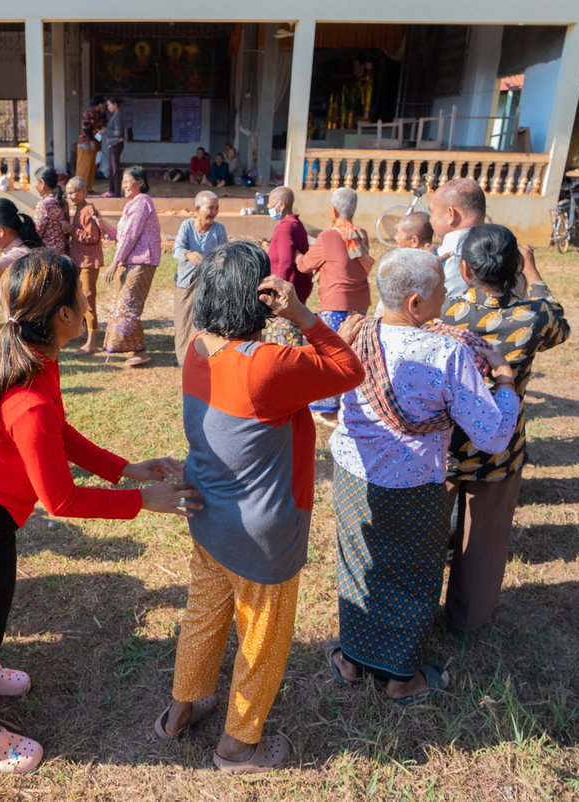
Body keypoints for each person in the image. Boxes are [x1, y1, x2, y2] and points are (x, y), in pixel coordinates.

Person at [0, 249, 200, 773]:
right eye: (80, 296)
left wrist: (127, 470)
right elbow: (61, 500)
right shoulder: (27, 387)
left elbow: (57, 434)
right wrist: (144, 502)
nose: (87, 300)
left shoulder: (28, 355)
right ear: (64, 317)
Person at [159, 243, 364, 774]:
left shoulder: (197, 349)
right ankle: (237, 745)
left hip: (208, 516)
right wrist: (300, 314)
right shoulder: (270, 365)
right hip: (262, 532)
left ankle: (182, 708)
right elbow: (348, 369)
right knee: (263, 637)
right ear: (259, 300)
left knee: (204, 615)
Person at [326, 249, 519, 706]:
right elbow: (492, 436)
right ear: (415, 304)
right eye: (442, 291)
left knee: (358, 563)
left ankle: (352, 661)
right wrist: (505, 381)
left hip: (353, 475)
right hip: (414, 484)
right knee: (413, 575)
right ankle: (399, 678)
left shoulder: (355, 333)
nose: (449, 297)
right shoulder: (446, 353)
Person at [441, 226, 570, 632]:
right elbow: (559, 325)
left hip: (442, 446)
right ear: (515, 265)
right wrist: (533, 273)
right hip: (500, 447)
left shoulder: (443, 311)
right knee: (484, 542)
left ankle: (415, 613)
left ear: (465, 269)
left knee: (425, 540)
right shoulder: (534, 317)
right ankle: (467, 620)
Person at [297, 187, 375, 425]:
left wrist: (295, 254)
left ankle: (326, 407)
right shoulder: (360, 234)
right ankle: (346, 403)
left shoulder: (329, 236)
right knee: (351, 353)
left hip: (335, 302)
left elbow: (305, 265)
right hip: (359, 303)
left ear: (333, 209)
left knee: (329, 352)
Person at [104, 166, 161, 367]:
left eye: (128, 181)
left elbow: (131, 235)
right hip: (132, 260)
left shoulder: (142, 202)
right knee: (124, 302)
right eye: (123, 182)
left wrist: (115, 261)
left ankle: (140, 350)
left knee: (128, 303)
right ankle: (130, 346)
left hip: (142, 260)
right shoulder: (132, 205)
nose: (124, 185)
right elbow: (122, 235)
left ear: (141, 183)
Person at [171, 190, 227, 365]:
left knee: (203, 319)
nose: (214, 212)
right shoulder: (187, 226)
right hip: (186, 281)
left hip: (209, 282)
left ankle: (200, 356)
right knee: (183, 320)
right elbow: (177, 249)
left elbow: (224, 254)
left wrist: (214, 263)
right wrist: (188, 254)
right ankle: (183, 359)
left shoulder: (218, 229)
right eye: (210, 208)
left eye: (216, 208)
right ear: (197, 208)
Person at [65, 176, 114, 354]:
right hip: (79, 260)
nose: (70, 196)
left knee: (88, 300)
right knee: (79, 297)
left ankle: (92, 342)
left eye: (73, 192)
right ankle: (83, 333)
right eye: (68, 192)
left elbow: (92, 237)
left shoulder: (88, 210)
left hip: (88, 262)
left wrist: (71, 229)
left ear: (84, 192)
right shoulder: (79, 208)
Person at [261, 187, 310, 347]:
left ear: (281, 205)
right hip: (295, 293)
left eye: (270, 205)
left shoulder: (286, 227)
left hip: (284, 296)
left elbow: (285, 262)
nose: (269, 208)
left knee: (283, 342)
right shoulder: (296, 224)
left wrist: (275, 291)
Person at [430, 178, 486, 302]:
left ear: (451, 214)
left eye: (432, 212)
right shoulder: (501, 249)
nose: (430, 220)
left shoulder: (444, 258)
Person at [32, 166, 70, 255]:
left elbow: (37, 232)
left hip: (48, 254)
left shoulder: (44, 205)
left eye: (35, 181)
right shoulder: (63, 201)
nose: (34, 184)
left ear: (42, 183)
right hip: (63, 250)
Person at [76, 95, 105, 190]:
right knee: (84, 166)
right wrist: (92, 141)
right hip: (86, 143)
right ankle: (79, 188)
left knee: (91, 167)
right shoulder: (89, 113)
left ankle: (88, 188)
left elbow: (99, 128)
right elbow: (87, 128)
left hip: (94, 143)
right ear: (99, 104)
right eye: (102, 104)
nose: (103, 106)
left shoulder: (99, 114)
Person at [103, 97, 125, 198]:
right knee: (112, 169)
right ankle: (112, 190)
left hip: (115, 145)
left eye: (109, 105)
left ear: (115, 104)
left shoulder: (118, 116)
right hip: (112, 144)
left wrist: (106, 131)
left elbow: (119, 132)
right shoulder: (115, 115)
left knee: (115, 169)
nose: (108, 107)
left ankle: (116, 192)